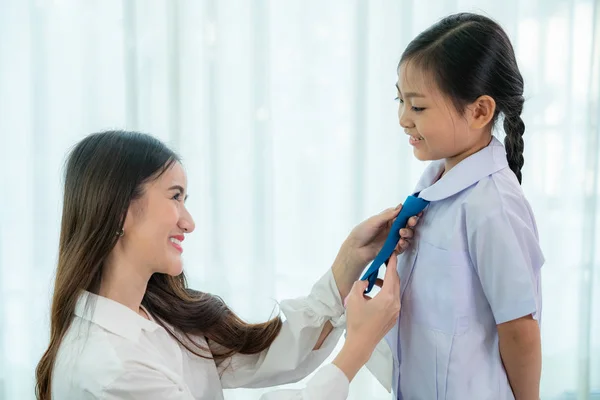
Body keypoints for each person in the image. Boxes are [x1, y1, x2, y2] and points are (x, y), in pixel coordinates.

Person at [35, 130, 418, 400]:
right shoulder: (111, 370)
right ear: (120, 209)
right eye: (175, 197)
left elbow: (268, 355)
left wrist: (351, 258)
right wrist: (358, 348)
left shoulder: (158, 317)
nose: (189, 222)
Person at [365, 12, 544, 400]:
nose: (402, 119)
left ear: (480, 111)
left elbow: (520, 329)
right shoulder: (434, 183)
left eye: (418, 107)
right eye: (400, 100)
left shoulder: (492, 205)